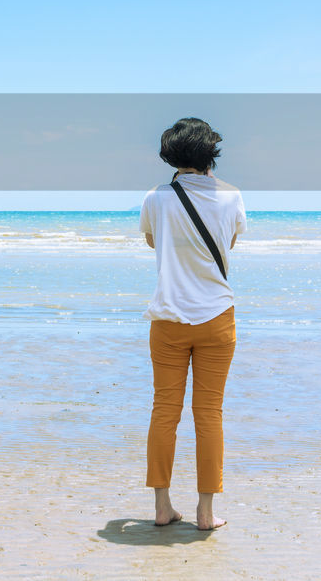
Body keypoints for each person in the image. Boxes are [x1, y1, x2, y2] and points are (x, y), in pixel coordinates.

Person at [139, 117, 247, 531]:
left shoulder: (156, 197)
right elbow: (229, 243)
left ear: (170, 155)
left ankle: (162, 507)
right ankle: (205, 513)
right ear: (210, 155)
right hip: (217, 317)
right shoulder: (232, 196)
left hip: (168, 318)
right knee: (209, 413)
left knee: (164, 411)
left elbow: (152, 241)